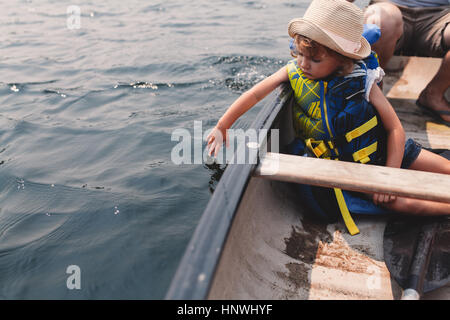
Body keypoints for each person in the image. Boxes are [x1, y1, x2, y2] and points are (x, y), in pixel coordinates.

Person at [206, 0, 450, 235]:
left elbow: (395, 129)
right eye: (299, 54)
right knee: (405, 204)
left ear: (343, 58)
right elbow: (254, 94)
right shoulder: (293, 71)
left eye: (315, 59)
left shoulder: (362, 79)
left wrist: (391, 176)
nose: (303, 64)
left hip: (392, 150)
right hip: (359, 170)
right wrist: (223, 125)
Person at [361, 0, 450, 125]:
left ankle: (433, 94)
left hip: (440, 14)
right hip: (389, 7)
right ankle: (374, 95)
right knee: (379, 21)